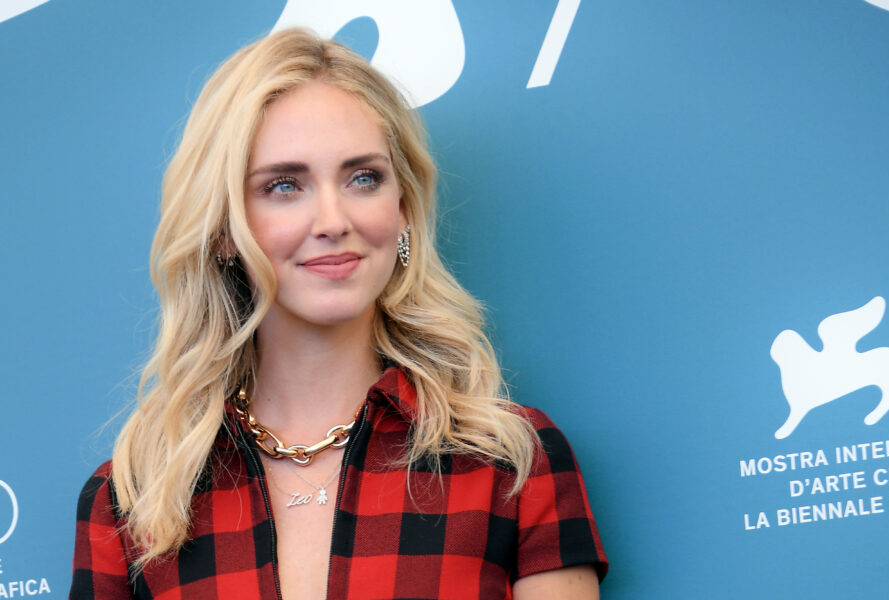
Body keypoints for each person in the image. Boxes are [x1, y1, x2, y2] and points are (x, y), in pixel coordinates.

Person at [69, 28, 607, 600]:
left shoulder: (512, 462)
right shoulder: (131, 499)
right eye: (284, 185)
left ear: (403, 210)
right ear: (223, 228)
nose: (333, 220)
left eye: (363, 178)